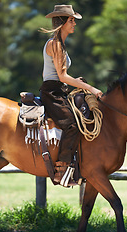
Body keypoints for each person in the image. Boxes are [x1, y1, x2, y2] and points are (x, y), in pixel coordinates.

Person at [39, 5, 103, 186]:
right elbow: (62, 76)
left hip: (59, 90)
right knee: (73, 125)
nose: (74, 23)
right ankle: (62, 169)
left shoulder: (60, 44)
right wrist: (90, 88)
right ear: (62, 23)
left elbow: (64, 78)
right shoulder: (55, 44)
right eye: (71, 20)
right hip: (52, 92)